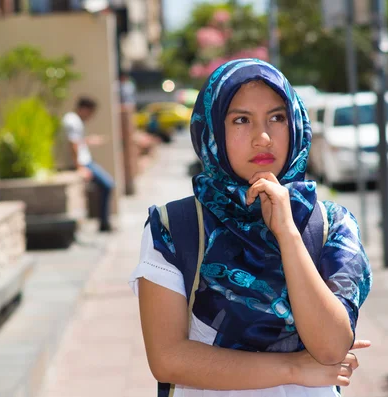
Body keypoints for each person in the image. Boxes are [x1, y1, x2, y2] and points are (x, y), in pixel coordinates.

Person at [129, 59, 373, 396]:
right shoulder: (175, 226)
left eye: (277, 118)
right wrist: (294, 367)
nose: (263, 138)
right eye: (241, 120)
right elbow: (168, 359)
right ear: (213, 129)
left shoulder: (331, 223)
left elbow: (331, 348)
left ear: (296, 124)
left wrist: (287, 233)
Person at [62, 97, 115, 232]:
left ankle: (104, 222)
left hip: (85, 162)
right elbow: (72, 144)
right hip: (84, 163)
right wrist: (80, 168)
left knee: (106, 185)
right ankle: (104, 223)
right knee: (108, 184)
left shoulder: (74, 120)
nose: (91, 117)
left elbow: (77, 141)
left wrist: (90, 140)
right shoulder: (72, 121)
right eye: (91, 113)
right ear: (84, 109)